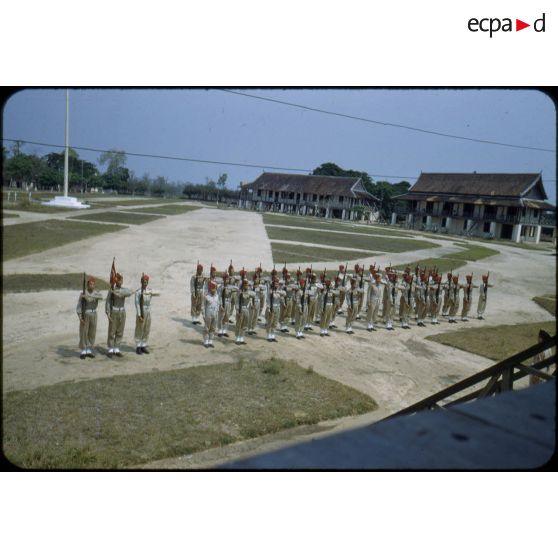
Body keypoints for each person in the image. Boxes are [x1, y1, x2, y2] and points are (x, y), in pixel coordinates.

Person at [106, 272, 133, 357]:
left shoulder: (123, 290)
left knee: (120, 331)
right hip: (114, 311)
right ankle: (110, 349)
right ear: (116, 281)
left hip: (122, 311)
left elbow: (129, 293)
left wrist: (119, 293)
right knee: (112, 331)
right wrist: (108, 313)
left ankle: (116, 348)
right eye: (119, 280)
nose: (120, 282)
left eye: (121, 280)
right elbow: (108, 302)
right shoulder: (112, 290)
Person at [76, 276, 103, 359]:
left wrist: (87, 297)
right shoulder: (83, 294)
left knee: (92, 332)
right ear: (87, 285)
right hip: (86, 313)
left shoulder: (96, 293)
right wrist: (80, 317)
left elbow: (101, 297)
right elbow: (79, 306)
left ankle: (89, 350)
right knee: (84, 332)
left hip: (94, 313)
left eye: (93, 284)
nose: (92, 286)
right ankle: (83, 350)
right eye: (90, 284)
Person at [134, 274, 159, 355]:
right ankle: (138, 346)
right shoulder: (138, 292)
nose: (145, 283)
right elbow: (137, 304)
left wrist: (151, 292)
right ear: (141, 282)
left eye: (146, 282)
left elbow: (158, 293)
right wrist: (139, 315)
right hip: (142, 310)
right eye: (144, 282)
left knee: (146, 328)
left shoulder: (149, 291)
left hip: (148, 310)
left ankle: (143, 345)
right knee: (139, 328)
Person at [234, 278, 254, 344]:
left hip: (246, 309)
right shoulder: (239, 292)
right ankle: (237, 338)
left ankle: (242, 338)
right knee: (239, 324)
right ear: (242, 285)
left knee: (245, 324)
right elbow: (236, 302)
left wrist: (247, 292)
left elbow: (254, 294)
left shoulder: (248, 292)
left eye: (247, 285)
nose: (246, 286)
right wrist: (237, 310)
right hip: (240, 309)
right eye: (245, 285)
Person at [203, 280, 221, 347]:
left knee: (213, 328)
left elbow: (218, 304)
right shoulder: (206, 296)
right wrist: (204, 315)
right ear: (210, 289)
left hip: (215, 313)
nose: (214, 290)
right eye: (212, 289)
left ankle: (210, 341)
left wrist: (218, 311)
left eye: (215, 289)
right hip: (208, 313)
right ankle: (206, 341)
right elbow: (203, 306)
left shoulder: (217, 296)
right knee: (207, 328)